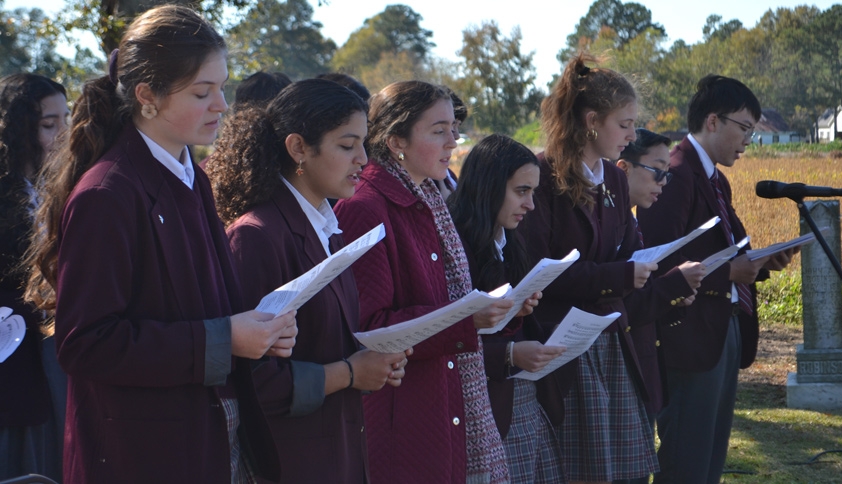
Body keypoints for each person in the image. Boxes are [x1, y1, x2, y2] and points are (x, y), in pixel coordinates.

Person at [23, 5, 296, 483]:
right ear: (147, 95)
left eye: (222, 87)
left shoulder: (191, 177)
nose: (222, 105)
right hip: (143, 455)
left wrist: (258, 332)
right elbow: (84, 344)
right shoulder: (107, 194)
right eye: (201, 91)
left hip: (211, 440)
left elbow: (204, 312)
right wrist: (225, 338)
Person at [207, 78, 410, 484]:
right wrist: (351, 373)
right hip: (291, 461)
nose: (363, 160)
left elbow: (327, 341)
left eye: (364, 144)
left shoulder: (328, 228)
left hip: (340, 450)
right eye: (346, 145)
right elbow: (258, 383)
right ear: (299, 148)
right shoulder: (257, 235)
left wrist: (375, 361)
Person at [334, 80, 516, 484]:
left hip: (439, 397)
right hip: (403, 413)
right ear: (397, 139)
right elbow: (372, 326)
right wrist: (467, 321)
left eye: (454, 128)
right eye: (439, 131)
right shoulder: (365, 208)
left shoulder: (426, 197)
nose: (454, 141)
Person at [637, 75, 796, 484]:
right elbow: (660, 255)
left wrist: (760, 262)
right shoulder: (675, 173)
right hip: (689, 337)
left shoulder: (714, 179)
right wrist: (729, 272)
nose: (748, 141)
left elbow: (730, 245)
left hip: (721, 328)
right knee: (687, 460)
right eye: (744, 128)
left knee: (709, 459)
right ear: (712, 121)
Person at [520, 53, 658, 483]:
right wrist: (618, 276)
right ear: (592, 120)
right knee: (581, 471)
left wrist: (644, 267)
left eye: (635, 124)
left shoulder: (615, 179)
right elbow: (541, 270)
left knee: (625, 471)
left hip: (612, 342)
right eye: (625, 124)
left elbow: (630, 247)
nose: (632, 135)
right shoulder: (543, 177)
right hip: (563, 346)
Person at [449, 134, 566, 484]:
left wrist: (520, 311)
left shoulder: (508, 238)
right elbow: (446, 333)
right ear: (488, 187)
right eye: (521, 191)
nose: (531, 204)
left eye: (533, 192)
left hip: (517, 395)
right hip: (477, 403)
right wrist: (509, 353)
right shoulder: (457, 244)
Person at [614, 128, 706, 484]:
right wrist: (671, 286)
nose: (664, 182)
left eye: (668, 173)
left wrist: (674, 294)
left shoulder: (631, 220)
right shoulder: (610, 224)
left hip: (643, 371)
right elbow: (620, 307)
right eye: (657, 171)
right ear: (622, 168)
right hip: (619, 373)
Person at [0, 73, 69, 482]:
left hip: (53, 351)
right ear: (19, 127)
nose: (62, 134)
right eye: (49, 124)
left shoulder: (54, 190)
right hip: (13, 359)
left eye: (66, 120)